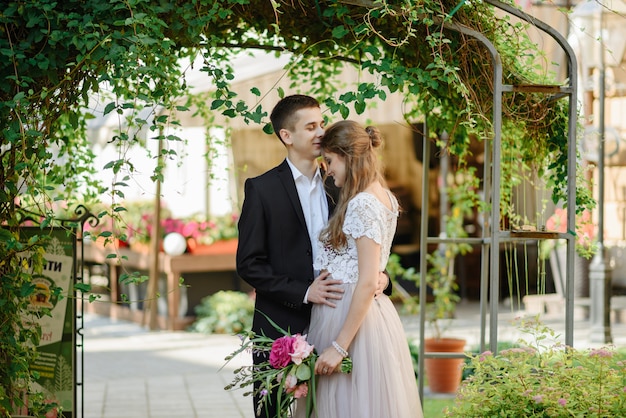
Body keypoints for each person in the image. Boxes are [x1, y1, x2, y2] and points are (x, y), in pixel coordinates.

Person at [236, 95, 390, 418]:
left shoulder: (343, 185)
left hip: (342, 324)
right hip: (282, 325)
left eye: (321, 123)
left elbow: (371, 245)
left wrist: (383, 278)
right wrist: (304, 291)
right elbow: (249, 263)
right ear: (286, 136)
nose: (321, 131)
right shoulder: (261, 190)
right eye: (310, 126)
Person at [297, 120, 422, 418]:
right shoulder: (382, 196)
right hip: (362, 315)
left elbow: (367, 281)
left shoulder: (363, 203)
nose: (328, 169)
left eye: (330, 160)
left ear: (348, 156)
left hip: (352, 323)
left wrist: (339, 347)